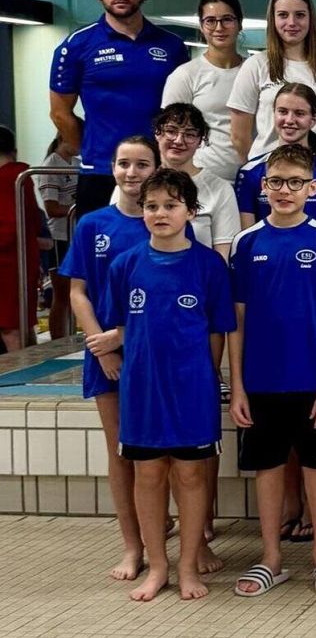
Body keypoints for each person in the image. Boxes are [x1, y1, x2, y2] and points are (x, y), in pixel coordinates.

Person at [104, 168, 236, 601]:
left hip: (192, 388)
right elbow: (121, 327)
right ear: (141, 212)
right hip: (143, 390)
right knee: (148, 474)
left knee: (191, 474)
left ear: (191, 212)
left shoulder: (209, 265)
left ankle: (188, 565)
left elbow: (219, 329)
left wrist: (208, 375)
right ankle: (157, 565)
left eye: (170, 205)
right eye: (152, 206)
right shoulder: (126, 265)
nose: (160, 213)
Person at [228, 145, 316, 597]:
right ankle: (271, 557)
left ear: (312, 189)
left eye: (295, 182)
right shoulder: (247, 242)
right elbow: (235, 320)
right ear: (263, 187)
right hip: (260, 379)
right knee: (268, 466)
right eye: (276, 182)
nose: (284, 190)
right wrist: (237, 385)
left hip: (312, 378)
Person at [62, 136, 161, 582]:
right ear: (112, 168)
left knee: (164, 452)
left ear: (156, 168)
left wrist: (123, 336)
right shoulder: (93, 225)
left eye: (142, 164)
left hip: (152, 352)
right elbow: (78, 290)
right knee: (120, 451)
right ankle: (132, 546)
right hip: (106, 355)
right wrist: (99, 344)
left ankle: (179, 537)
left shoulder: (163, 221)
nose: (132, 172)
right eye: (124, 164)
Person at [50, 0, 187, 213]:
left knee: (163, 249)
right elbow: (59, 113)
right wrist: (94, 150)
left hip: (161, 169)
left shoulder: (172, 46)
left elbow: (183, 112)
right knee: (99, 251)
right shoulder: (76, 45)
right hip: (101, 173)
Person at [228, 0, 316, 162]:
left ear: (311, 19)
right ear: (273, 19)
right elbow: (238, 136)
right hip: (271, 172)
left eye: (300, 15)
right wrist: (260, 168)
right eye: (283, 15)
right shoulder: (256, 65)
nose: (292, 23)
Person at [234, 83, 316, 237]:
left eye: (299, 113)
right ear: (273, 113)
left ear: (313, 119)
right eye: (282, 111)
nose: (289, 120)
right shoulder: (250, 172)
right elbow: (246, 240)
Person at [131, 104, 241, 259]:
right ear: (157, 133)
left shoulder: (220, 189)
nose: (178, 140)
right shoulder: (136, 183)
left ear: (200, 141)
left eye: (189, 134)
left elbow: (223, 256)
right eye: (171, 131)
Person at [162, 0, 246, 183]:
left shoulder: (254, 71)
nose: (219, 27)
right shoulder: (185, 75)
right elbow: (168, 135)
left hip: (251, 181)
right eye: (210, 21)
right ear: (201, 26)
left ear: (239, 24)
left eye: (227, 19)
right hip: (201, 180)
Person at [0, 127, 41, 350]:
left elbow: (9, 226)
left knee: (10, 326)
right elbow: (32, 219)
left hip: (7, 262)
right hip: (23, 257)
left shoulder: (7, 179)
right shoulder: (20, 176)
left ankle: (19, 379)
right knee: (22, 322)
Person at [36, 137, 79, 339]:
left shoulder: (78, 164)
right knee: (62, 294)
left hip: (76, 234)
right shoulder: (51, 166)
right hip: (60, 236)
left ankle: (71, 338)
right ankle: (58, 341)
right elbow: (51, 208)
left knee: (77, 292)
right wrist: (81, 211)